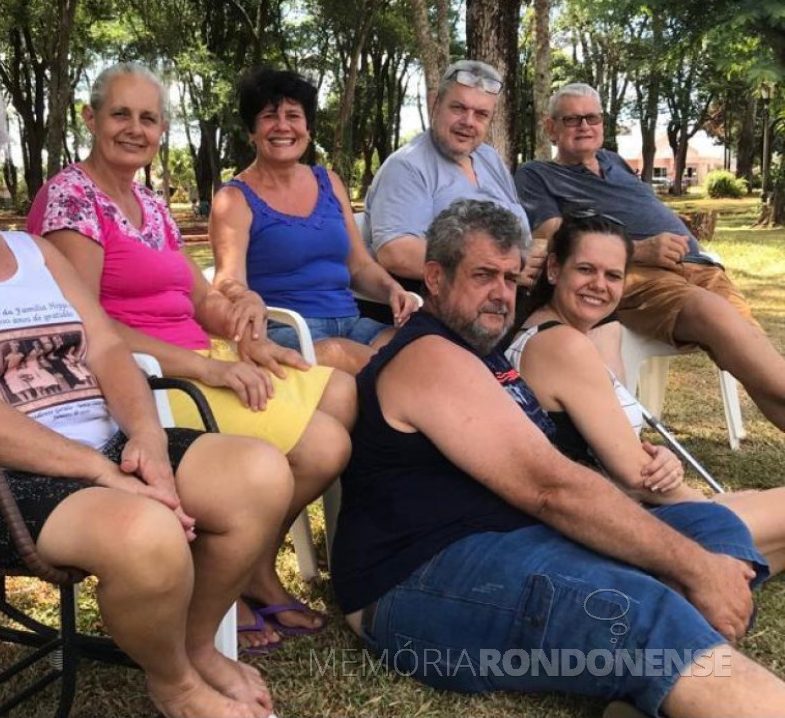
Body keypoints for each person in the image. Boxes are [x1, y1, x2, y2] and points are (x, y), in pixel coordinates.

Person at [0, 56, 290, 718]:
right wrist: (101, 475)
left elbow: (106, 347)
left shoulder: (30, 253)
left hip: (91, 455)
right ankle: (175, 684)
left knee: (259, 475)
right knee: (147, 532)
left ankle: (192, 645)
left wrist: (149, 441)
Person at [331, 199, 785, 717]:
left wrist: (692, 555)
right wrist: (698, 570)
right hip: (415, 583)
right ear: (434, 277)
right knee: (641, 610)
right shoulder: (431, 355)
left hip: (513, 540)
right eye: (483, 275)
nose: (500, 294)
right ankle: (676, 664)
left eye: (508, 277)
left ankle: (652, 685)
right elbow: (551, 488)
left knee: (707, 525)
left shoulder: (484, 351)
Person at [27, 62, 354, 651]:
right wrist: (210, 366)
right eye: (120, 114)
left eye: (148, 118)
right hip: (146, 382)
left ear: (161, 132)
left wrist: (244, 327)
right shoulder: (71, 200)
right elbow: (85, 325)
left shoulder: (150, 204)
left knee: (340, 390)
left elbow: (201, 296)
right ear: (90, 118)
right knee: (326, 443)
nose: (135, 128)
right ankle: (224, 578)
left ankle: (249, 563)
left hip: (199, 359)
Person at [508, 210, 785, 576]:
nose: (599, 285)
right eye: (585, 269)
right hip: (615, 535)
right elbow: (635, 478)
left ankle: (716, 575)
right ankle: (699, 574)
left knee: (758, 523)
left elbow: (618, 455)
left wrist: (665, 462)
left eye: (613, 276)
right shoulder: (561, 346)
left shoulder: (557, 332)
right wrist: (711, 507)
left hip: (616, 520)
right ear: (555, 269)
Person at [515, 82, 785, 433]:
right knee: (718, 318)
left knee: (752, 357)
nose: (585, 126)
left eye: (592, 117)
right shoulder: (536, 175)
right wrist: (640, 250)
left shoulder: (613, 161)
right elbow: (553, 237)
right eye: (572, 119)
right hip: (633, 273)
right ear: (551, 128)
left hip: (697, 266)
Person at [210, 67, 418, 374]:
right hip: (287, 330)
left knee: (422, 352)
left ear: (307, 128)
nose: (283, 126)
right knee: (390, 372)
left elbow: (359, 266)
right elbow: (228, 279)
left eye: (293, 116)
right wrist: (244, 297)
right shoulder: (234, 199)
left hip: (353, 322)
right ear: (251, 130)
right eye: (269, 116)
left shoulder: (329, 182)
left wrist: (392, 291)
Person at [361, 59, 545, 291]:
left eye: (481, 114)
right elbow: (396, 252)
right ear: (435, 105)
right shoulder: (407, 165)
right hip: (441, 304)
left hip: (511, 292)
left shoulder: (490, 159)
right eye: (458, 108)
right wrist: (501, 268)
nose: (468, 122)